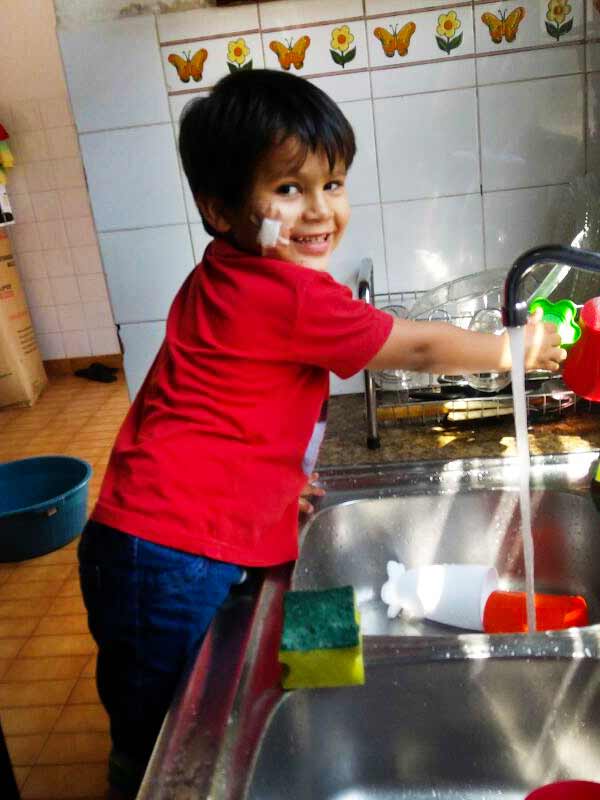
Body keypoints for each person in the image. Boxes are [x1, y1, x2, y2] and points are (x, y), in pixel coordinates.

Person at [78, 68, 565, 797]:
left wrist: (275, 479)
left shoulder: (225, 270)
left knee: (171, 712)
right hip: (171, 552)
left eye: (332, 184)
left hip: (148, 537)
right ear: (221, 209)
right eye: (288, 189)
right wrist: (515, 350)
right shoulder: (293, 295)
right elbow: (423, 349)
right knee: (167, 744)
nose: (318, 211)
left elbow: (218, 407)